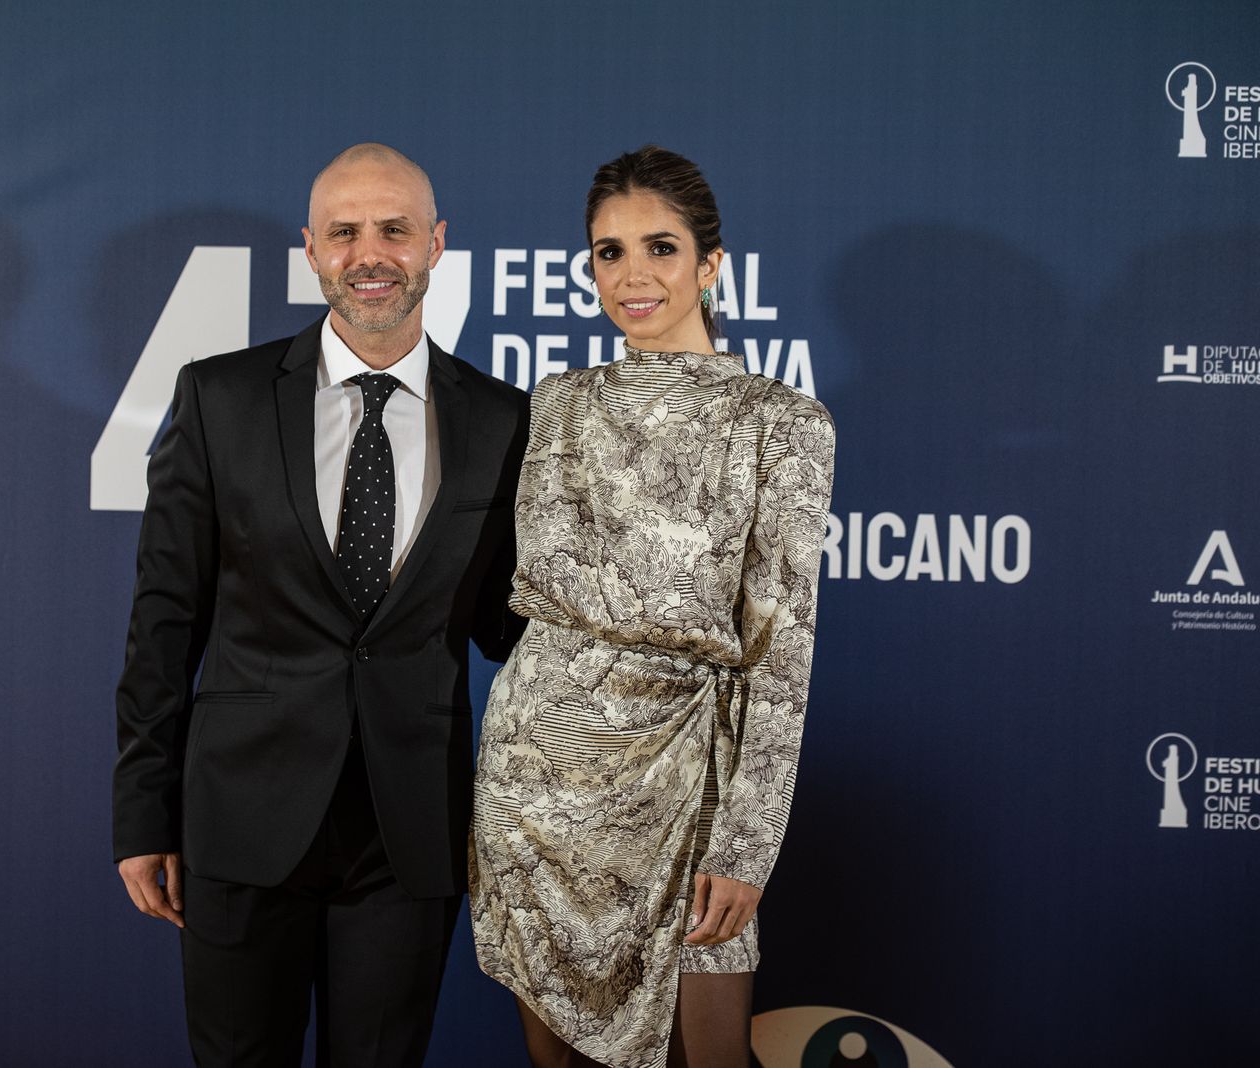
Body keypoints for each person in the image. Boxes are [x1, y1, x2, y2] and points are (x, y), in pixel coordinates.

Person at [113, 142, 529, 1067]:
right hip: (238, 818)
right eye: (344, 231)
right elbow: (162, 624)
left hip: (408, 829)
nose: (369, 252)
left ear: (436, 244)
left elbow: (512, 627)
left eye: (394, 229)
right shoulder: (219, 398)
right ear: (310, 248)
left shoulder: (505, 420)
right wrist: (144, 812)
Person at [470, 146, 836, 1068]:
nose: (633, 277)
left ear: (711, 265)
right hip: (536, 775)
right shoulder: (557, 404)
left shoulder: (782, 422)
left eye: (661, 248)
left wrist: (748, 842)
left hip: (689, 772)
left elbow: (781, 651)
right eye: (608, 252)